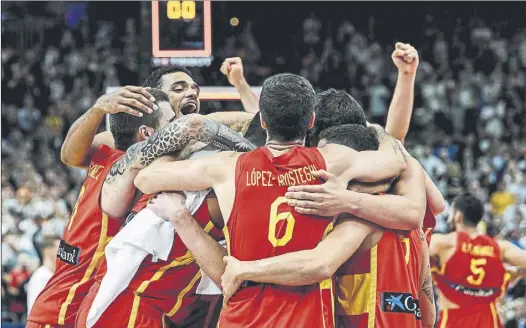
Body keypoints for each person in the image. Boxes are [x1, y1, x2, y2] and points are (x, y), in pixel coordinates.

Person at [135, 73, 407, 328]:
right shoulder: (334, 160)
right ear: (311, 121)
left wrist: (187, 141)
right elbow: (395, 159)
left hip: (241, 315)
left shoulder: (226, 168)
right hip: (305, 316)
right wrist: (377, 130)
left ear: (263, 120)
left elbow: (145, 179)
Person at [27, 89, 253, 328]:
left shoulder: (138, 164)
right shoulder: (124, 166)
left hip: (91, 302)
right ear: (147, 133)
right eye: (172, 118)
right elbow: (193, 126)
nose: (179, 119)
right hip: (67, 308)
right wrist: (260, 157)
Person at [213, 124, 435, 328]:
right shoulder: (415, 226)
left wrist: (243, 269)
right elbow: (428, 316)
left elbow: (319, 263)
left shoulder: (360, 220)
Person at [430, 194, 526, 328]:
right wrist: (516, 273)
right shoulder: (499, 247)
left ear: (458, 216)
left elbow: (412, 254)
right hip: (488, 320)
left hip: (455, 320)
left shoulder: (444, 243)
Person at [26, 235, 60, 314]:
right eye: (59, 248)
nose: (63, 252)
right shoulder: (41, 276)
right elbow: (34, 311)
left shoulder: (53, 275)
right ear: (47, 250)